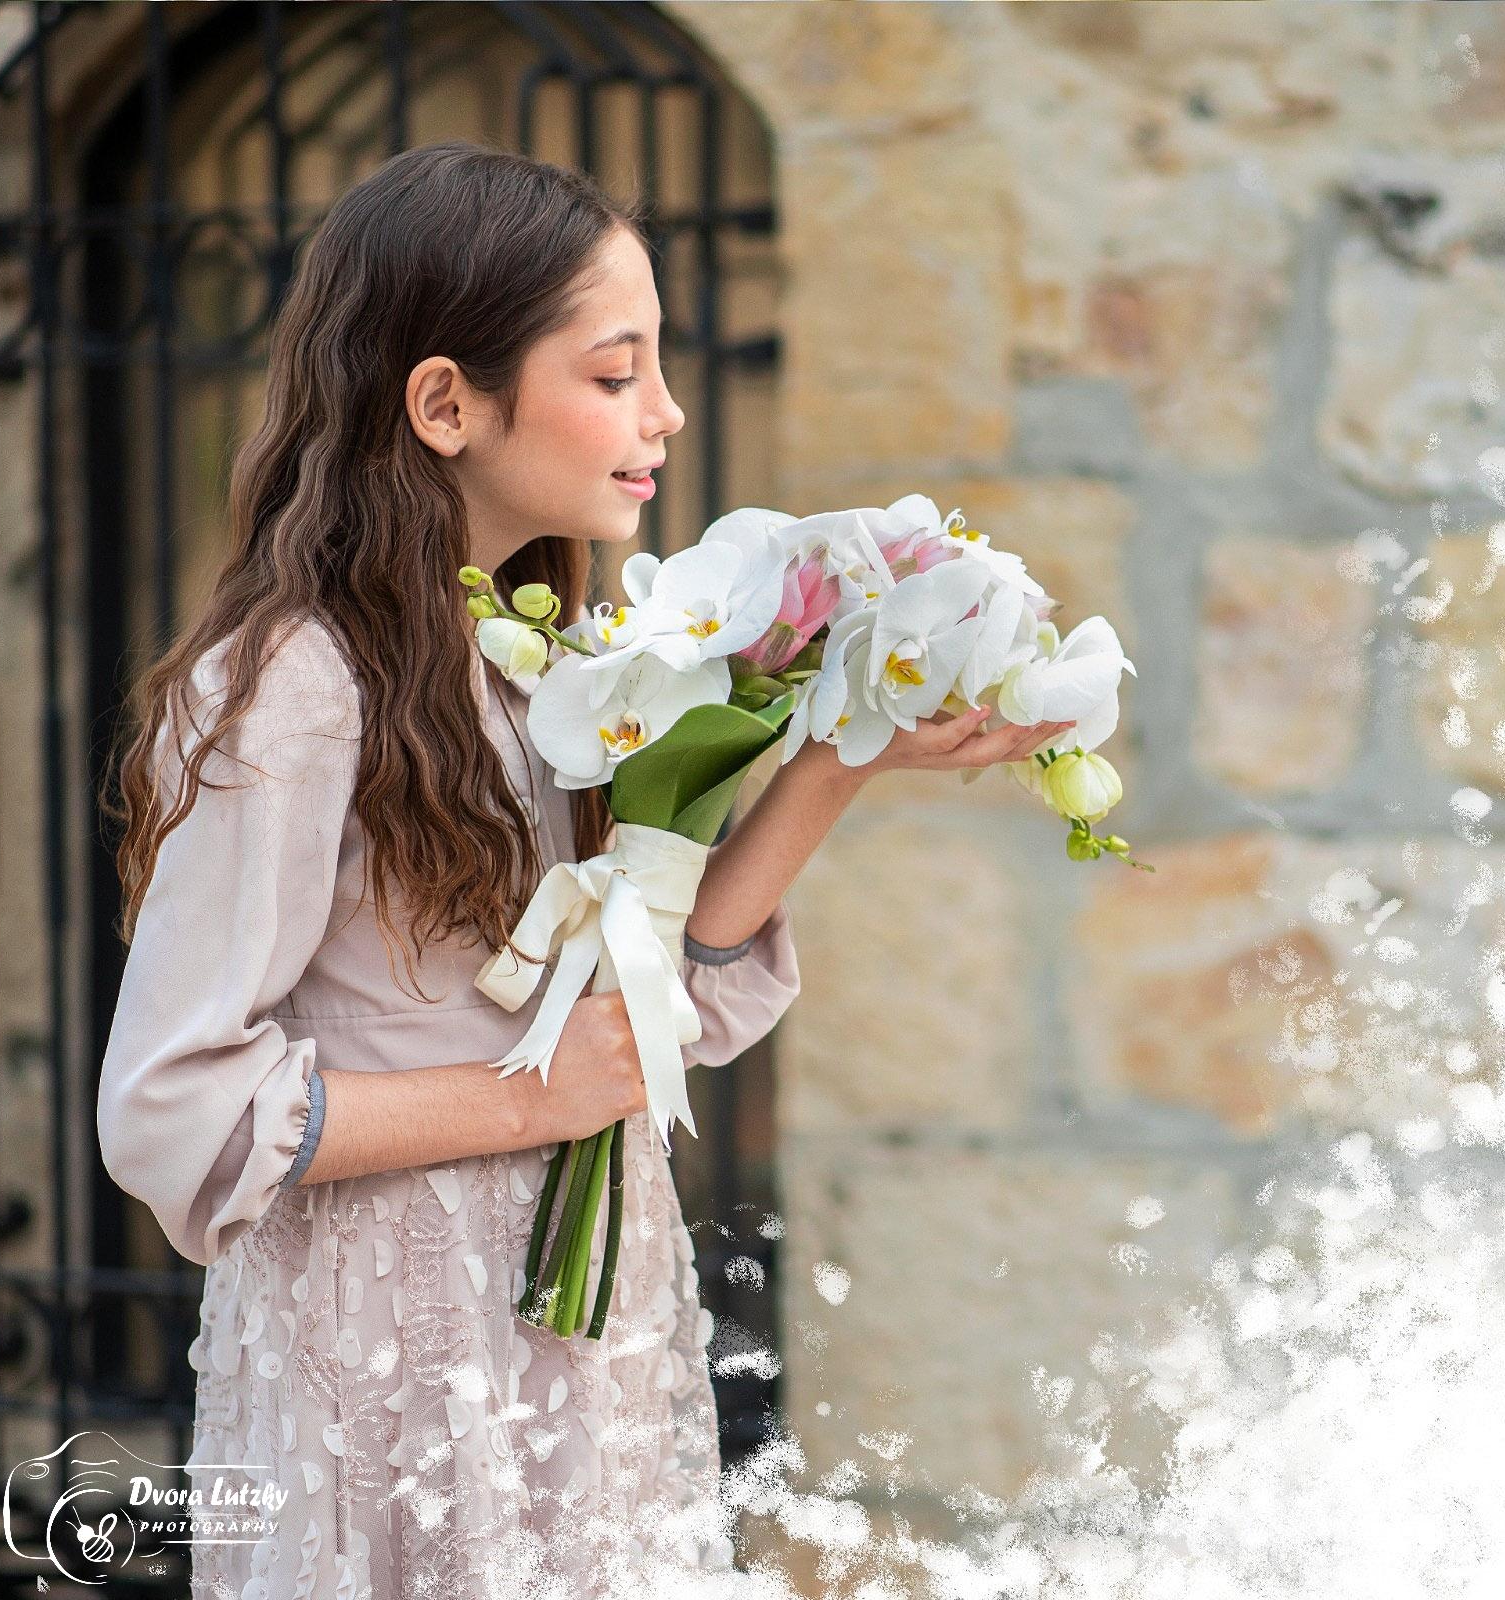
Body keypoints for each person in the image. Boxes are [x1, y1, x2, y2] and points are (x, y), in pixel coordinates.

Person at [95, 140, 1075, 1598]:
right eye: (616, 373)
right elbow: (170, 1107)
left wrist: (840, 754)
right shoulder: (293, 687)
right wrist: (534, 1097)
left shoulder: (547, 666)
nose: (664, 411)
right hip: (393, 1357)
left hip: (582, 1336)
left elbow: (656, 1009)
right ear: (445, 403)